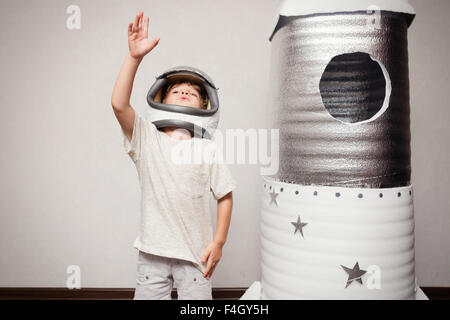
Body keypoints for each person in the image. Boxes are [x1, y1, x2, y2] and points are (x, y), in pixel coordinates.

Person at [111, 11, 237, 300]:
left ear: (204, 104)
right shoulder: (145, 138)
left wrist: (219, 242)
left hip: (195, 254)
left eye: (192, 93)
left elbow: (226, 194)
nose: (184, 93)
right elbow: (119, 105)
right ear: (161, 99)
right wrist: (134, 58)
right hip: (152, 253)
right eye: (177, 90)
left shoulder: (207, 148)